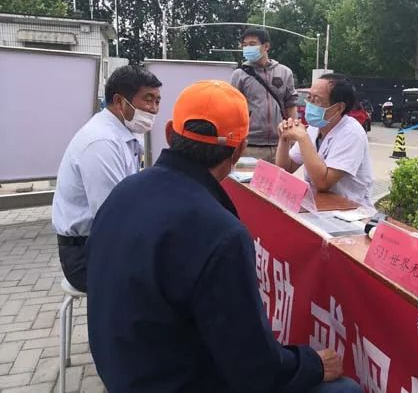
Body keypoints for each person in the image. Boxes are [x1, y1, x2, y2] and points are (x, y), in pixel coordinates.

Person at [85, 80, 362, 393]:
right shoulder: (220, 233)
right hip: (176, 380)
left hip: (123, 369)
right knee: (344, 389)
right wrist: (313, 364)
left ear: (170, 133)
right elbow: (256, 371)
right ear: (239, 150)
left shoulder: (124, 191)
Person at [52, 65, 162, 292]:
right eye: (148, 99)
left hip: (104, 241)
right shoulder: (101, 143)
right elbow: (114, 217)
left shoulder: (123, 135)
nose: (153, 109)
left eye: (157, 101)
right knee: (169, 280)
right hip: (85, 255)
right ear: (120, 101)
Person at [275, 73, 374, 208]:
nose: (310, 104)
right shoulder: (314, 128)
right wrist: (284, 138)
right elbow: (286, 168)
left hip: (349, 210)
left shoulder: (352, 133)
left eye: (317, 100)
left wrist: (303, 138)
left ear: (339, 108)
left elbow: (323, 182)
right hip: (321, 206)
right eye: (309, 98)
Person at [230, 27, 297, 163]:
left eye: (252, 44)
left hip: (281, 144)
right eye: (245, 45)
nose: (248, 48)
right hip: (250, 146)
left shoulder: (284, 72)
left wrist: (294, 137)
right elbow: (233, 108)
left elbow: (291, 104)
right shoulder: (239, 75)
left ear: (266, 46)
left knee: (282, 177)